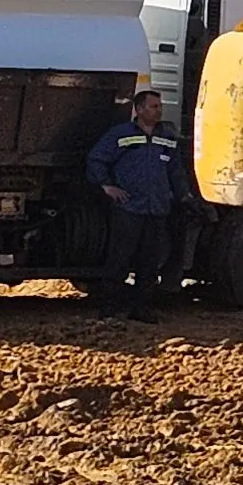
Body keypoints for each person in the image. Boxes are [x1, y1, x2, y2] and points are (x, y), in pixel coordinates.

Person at [87, 86, 179, 322]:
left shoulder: (166, 137)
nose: (159, 111)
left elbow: (176, 172)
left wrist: (183, 196)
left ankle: (142, 309)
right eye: (154, 106)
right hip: (129, 209)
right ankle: (109, 309)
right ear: (139, 109)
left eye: (160, 107)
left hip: (156, 209)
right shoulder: (120, 134)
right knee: (119, 258)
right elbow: (97, 159)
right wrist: (107, 186)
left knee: (149, 263)